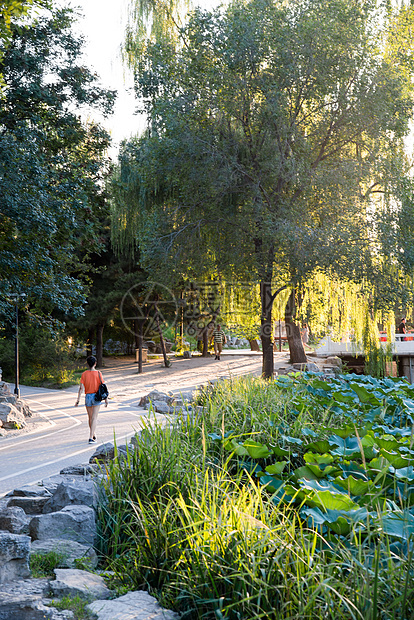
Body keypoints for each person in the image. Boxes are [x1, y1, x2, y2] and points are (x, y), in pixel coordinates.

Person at [75, 355, 108, 444]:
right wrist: (106, 399)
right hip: (96, 397)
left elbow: (81, 388)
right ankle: (90, 437)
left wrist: (78, 400)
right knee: (94, 417)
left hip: (88, 397)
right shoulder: (98, 373)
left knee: (90, 417)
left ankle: (93, 434)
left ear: (87, 364)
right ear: (95, 363)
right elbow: (103, 386)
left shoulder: (84, 374)